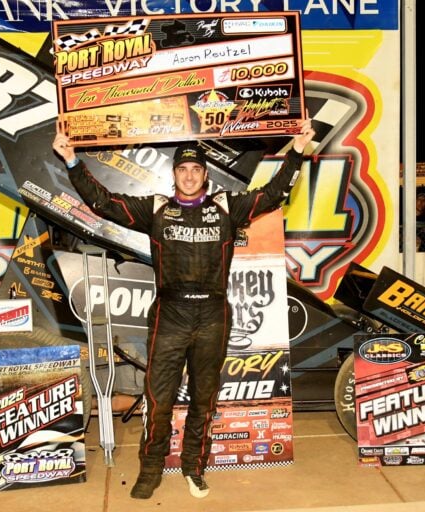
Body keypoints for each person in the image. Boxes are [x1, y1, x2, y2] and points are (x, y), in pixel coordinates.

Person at [52, 119, 315, 500]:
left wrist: (298, 150)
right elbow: (104, 203)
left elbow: (273, 194)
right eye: (182, 170)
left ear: (205, 175)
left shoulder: (227, 206)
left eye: (196, 170)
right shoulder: (156, 208)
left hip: (213, 316)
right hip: (169, 315)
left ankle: (194, 467)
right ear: (174, 174)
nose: (189, 176)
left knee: (204, 398)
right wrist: (73, 161)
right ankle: (151, 469)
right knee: (159, 398)